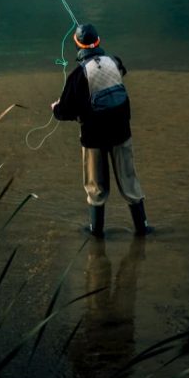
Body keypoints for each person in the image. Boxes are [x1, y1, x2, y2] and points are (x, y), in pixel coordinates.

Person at [51, 22, 152, 237]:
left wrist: (56, 108)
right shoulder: (115, 62)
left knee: (96, 187)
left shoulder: (78, 75)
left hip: (94, 138)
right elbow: (117, 74)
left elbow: (65, 111)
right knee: (129, 181)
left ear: (77, 44)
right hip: (121, 132)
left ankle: (96, 233)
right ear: (98, 41)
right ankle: (142, 229)